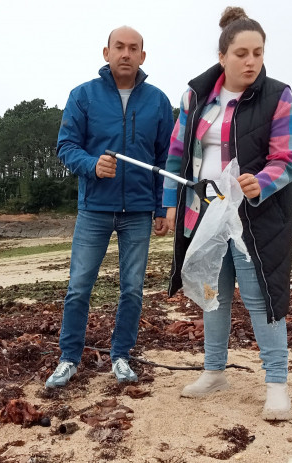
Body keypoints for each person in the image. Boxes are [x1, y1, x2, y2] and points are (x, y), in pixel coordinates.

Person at [163, 7, 292, 421]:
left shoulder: (279, 96)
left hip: (254, 219)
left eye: (258, 53)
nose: (251, 62)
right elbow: (176, 153)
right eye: (242, 53)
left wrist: (262, 180)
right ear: (222, 55)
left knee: (262, 300)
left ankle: (277, 386)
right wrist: (170, 203)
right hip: (204, 213)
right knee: (213, 296)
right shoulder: (195, 96)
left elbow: (289, 157)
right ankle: (213, 371)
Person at [46, 26, 174, 388]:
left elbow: (167, 159)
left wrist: (163, 207)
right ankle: (69, 359)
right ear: (106, 52)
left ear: (142, 57)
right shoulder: (83, 96)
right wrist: (92, 165)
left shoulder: (158, 101)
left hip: (138, 211)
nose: (126, 54)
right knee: (78, 287)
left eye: (134, 48)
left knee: (132, 288)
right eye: (119, 47)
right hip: (94, 209)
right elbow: (66, 146)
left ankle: (121, 356)